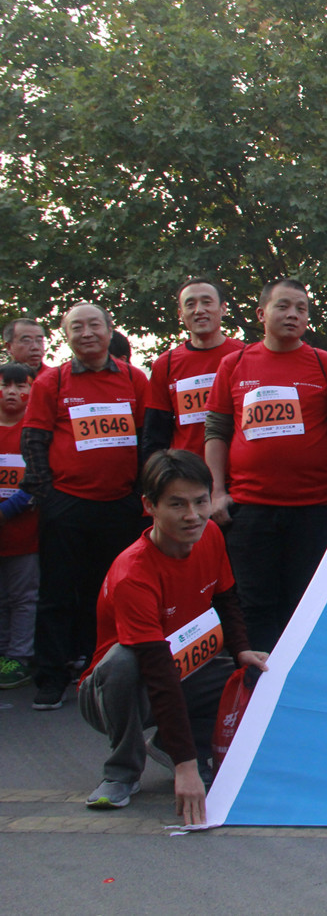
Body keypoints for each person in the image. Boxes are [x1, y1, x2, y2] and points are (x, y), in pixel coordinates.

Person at [77, 449, 268, 823]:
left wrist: (242, 651)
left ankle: (172, 743)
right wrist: (186, 767)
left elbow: (226, 597)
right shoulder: (133, 574)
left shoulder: (210, 534)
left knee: (251, 678)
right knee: (123, 662)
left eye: (200, 501)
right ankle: (122, 772)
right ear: (149, 506)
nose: (192, 515)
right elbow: (157, 671)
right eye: (177, 504)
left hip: (178, 668)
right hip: (117, 690)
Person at [205, 279, 327, 651]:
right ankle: (257, 680)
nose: (293, 315)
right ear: (261, 314)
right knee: (254, 604)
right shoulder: (233, 364)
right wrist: (217, 492)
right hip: (249, 510)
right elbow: (217, 430)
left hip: (313, 510)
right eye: (283, 306)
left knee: (304, 603)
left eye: (301, 309)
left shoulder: (326, 364)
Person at [20, 302, 150, 711]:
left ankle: (101, 671)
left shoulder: (134, 378)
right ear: (67, 336)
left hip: (120, 506)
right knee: (57, 594)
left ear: (110, 330)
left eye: (95, 324)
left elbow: (147, 439)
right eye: (77, 327)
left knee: (111, 594)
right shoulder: (52, 382)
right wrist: (49, 495)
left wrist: (138, 493)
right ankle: (51, 676)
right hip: (66, 506)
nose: (87, 332)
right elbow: (34, 440)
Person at [142, 279, 247, 459]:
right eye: (190, 304)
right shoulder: (165, 364)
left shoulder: (246, 356)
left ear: (223, 308)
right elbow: (155, 432)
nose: (199, 310)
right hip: (187, 471)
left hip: (238, 469)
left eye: (207, 302)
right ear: (180, 314)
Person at [0, 362, 39, 689]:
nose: (12, 392)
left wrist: (6, 512)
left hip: (24, 535)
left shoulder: (34, 431)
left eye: (21, 385)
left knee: (23, 598)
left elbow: (39, 480)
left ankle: (18, 657)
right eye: (4, 385)